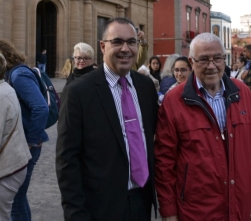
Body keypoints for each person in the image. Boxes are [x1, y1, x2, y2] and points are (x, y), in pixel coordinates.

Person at [56, 17, 158, 221]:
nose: (125, 48)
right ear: (103, 46)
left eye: (131, 42)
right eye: (117, 42)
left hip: (142, 202)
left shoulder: (146, 87)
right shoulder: (78, 92)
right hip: (100, 207)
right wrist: (76, 214)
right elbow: (67, 160)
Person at [155, 33, 251, 221]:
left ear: (225, 59)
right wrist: (169, 211)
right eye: (204, 59)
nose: (212, 65)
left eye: (218, 58)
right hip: (196, 210)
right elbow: (164, 162)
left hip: (239, 206)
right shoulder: (174, 101)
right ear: (191, 61)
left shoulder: (243, 93)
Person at [0, 40, 49, 221]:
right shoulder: (14, 73)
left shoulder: (18, 74)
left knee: (16, 201)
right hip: (24, 142)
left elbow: (40, 108)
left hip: (28, 145)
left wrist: (30, 140)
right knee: (19, 199)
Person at [0, 52, 32, 221]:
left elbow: (39, 107)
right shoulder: (6, 88)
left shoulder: (2, 94)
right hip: (15, 162)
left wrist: (34, 139)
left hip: (7, 168)